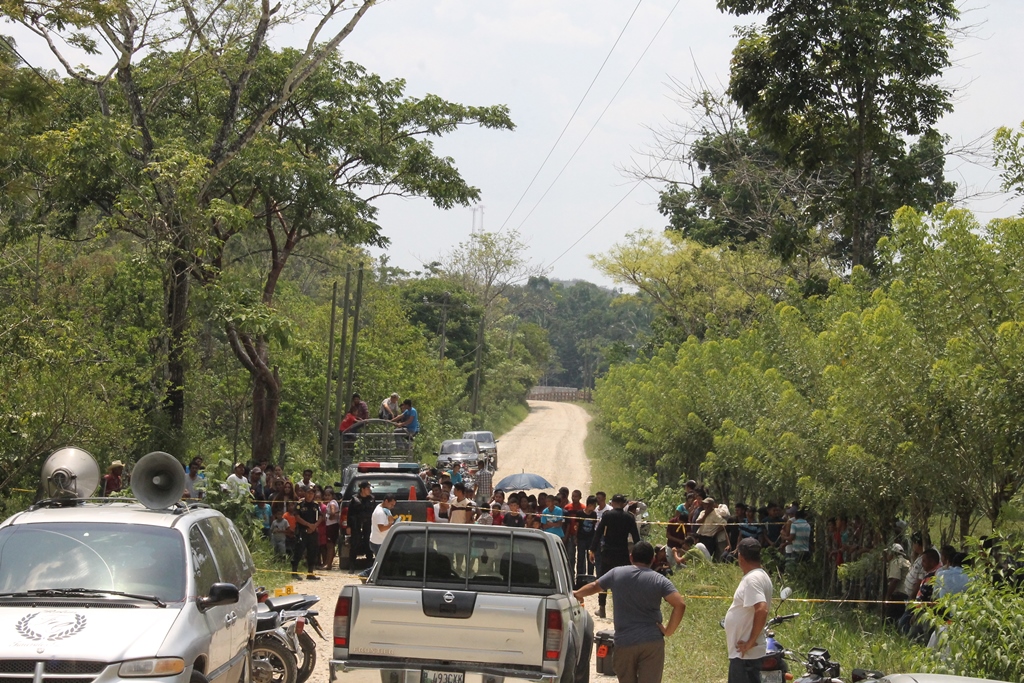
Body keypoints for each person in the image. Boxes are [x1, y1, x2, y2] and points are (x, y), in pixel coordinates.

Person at [574, 541, 685, 683]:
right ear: (652, 559)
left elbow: (595, 586)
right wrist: (668, 631)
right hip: (652, 642)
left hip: (625, 643)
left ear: (631, 557)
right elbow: (680, 604)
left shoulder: (617, 573)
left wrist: (577, 593)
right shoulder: (660, 580)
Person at [725, 538, 773, 683]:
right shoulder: (760, 576)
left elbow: (762, 609)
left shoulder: (752, 579)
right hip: (745, 656)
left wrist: (750, 642)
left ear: (740, 556)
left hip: (746, 657)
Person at [590, 493, 641, 619]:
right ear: (623, 504)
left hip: (608, 552)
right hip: (622, 553)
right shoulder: (629, 517)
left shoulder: (608, 515)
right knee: (623, 580)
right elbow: (636, 537)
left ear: (612, 503)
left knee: (603, 579)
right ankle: (623, 609)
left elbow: (598, 533)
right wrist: (638, 553)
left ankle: (602, 608)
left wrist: (592, 549)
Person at [292, 487, 322, 581]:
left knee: (313, 552)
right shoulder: (300, 504)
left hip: (313, 532)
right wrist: (308, 525)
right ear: (304, 493)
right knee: (299, 551)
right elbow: (297, 517)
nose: (310, 495)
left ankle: (310, 573)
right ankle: (294, 572)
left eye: (312, 493)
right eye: (308, 493)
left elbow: (321, 516)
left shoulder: (316, 505)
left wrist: (314, 526)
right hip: (302, 531)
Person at [348, 481, 376, 569]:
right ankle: (352, 565)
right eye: (367, 488)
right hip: (357, 525)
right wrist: (349, 526)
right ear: (362, 489)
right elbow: (350, 513)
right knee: (355, 544)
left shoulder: (371, 499)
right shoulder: (354, 499)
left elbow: (374, 513)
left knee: (368, 544)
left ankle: (369, 565)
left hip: (368, 525)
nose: (369, 490)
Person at [576, 496, 598, 574]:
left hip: (590, 539)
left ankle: (590, 575)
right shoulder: (580, 513)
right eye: (594, 505)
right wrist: (576, 538)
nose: (595, 507)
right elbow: (577, 526)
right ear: (589, 505)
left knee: (590, 558)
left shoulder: (594, 514)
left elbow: (594, 526)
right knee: (580, 558)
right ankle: (580, 576)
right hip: (581, 538)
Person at [323, 487, 340, 571]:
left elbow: (333, 512)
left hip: (331, 526)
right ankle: (327, 563)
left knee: (330, 546)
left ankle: (328, 564)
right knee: (330, 545)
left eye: (328, 495)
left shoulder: (332, 503)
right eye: (325, 495)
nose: (326, 497)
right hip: (333, 525)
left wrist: (331, 516)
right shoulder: (332, 502)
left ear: (332, 496)